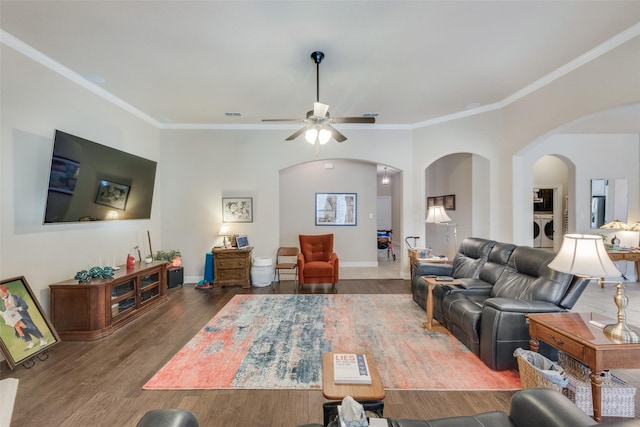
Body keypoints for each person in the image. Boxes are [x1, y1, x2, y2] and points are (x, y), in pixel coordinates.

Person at [0, 285, 47, 351]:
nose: (1, 295)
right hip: (15, 320)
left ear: (7, 291)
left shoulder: (17, 298)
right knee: (21, 331)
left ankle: (42, 340)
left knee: (31, 328)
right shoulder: (3, 302)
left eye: (2, 293)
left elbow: (25, 306)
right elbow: (6, 311)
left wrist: (18, 308)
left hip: (23, 317)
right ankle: (30, 343)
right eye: (0, 294)